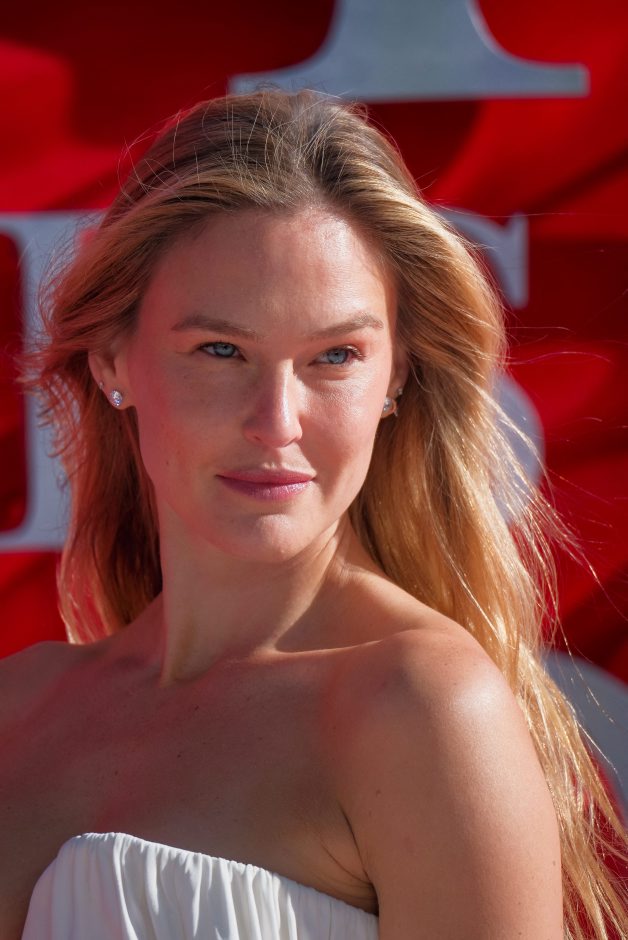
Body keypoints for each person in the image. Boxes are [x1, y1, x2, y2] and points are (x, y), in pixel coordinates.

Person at [1, 89, 625, 939]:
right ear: (113, 359)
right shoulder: (19, 709)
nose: (278, 421)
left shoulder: (424, 710)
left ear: (395, 377)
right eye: (220, 350)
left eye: (335, 355)